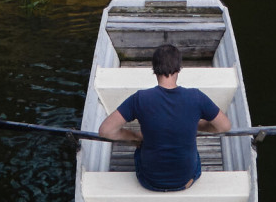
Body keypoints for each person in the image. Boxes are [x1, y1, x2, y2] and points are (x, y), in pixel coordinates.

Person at [97, 42, 232, 192]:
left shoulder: (140, 98)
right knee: (194, 154)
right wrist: (198, 125)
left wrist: (134, 137)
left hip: (149, 181)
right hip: (184, 180)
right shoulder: (196, 97)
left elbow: (105, 130)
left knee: (141, 148)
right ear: (179, 69)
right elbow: (224, 126)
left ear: (154, 70)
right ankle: (189, 177)